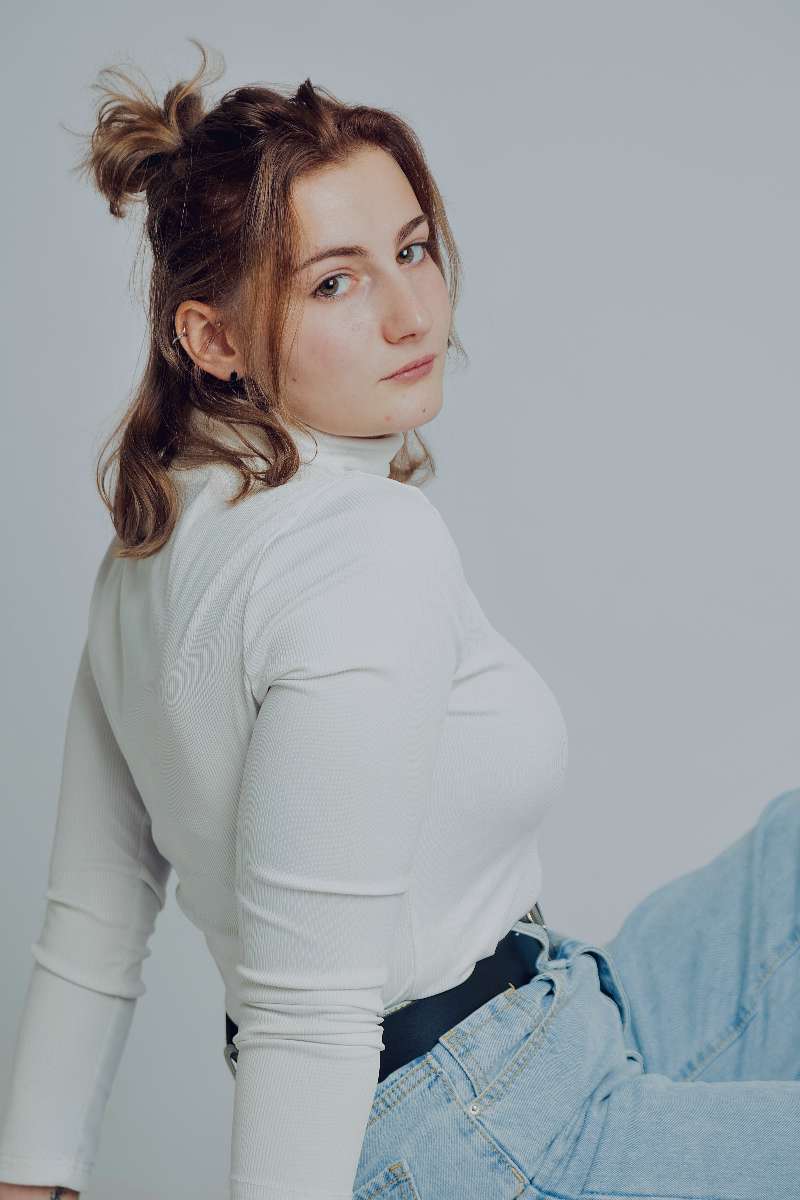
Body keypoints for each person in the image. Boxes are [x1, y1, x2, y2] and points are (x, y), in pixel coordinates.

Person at [1, 38, 798, 1200]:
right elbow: (306, 1013)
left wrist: (30, 1173)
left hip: (545, 1031)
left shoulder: (150, 544)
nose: (409, 309)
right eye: (335, 281)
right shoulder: (366, 550)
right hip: (493, 1135)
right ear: (212, 338)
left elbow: (92, 919)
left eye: (410, 249)